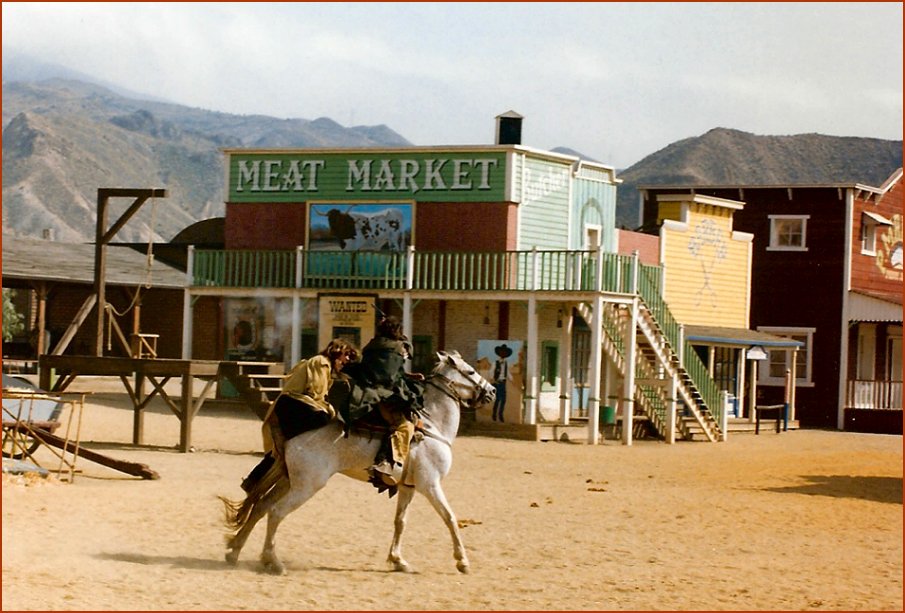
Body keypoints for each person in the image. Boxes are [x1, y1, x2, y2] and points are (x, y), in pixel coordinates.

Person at [240, 338, 359, 493]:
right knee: (325, 420)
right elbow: (315, 393)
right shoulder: (321, 363)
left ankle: (252, 481)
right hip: (293, 404)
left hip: (292, 404)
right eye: (346, 355)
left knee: (279, 452)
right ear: (337, 351)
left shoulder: (324, 365)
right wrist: (331, 411)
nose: (347, 360)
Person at [342, 316, 423, 491]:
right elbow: (394, 371)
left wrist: (408, 376)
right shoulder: (398, 348)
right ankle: (386, 462)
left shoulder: (372, 345)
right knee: (404, 426)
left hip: (367, 389)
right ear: (397, 331)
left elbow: (388, 369)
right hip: (382, 393)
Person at [491, 344, 512, 422]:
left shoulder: (506, 363)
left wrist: (512, 379)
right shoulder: (495, 363)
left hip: (503, 383)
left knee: (503, 400)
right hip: (498, 382)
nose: (503, 354)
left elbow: (508, 373)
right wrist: (493, 379)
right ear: (499, 354)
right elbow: (491, 372)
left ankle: (500, 415)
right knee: (497, 399)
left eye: (504, 353)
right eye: (502, 353)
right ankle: (494, 414)